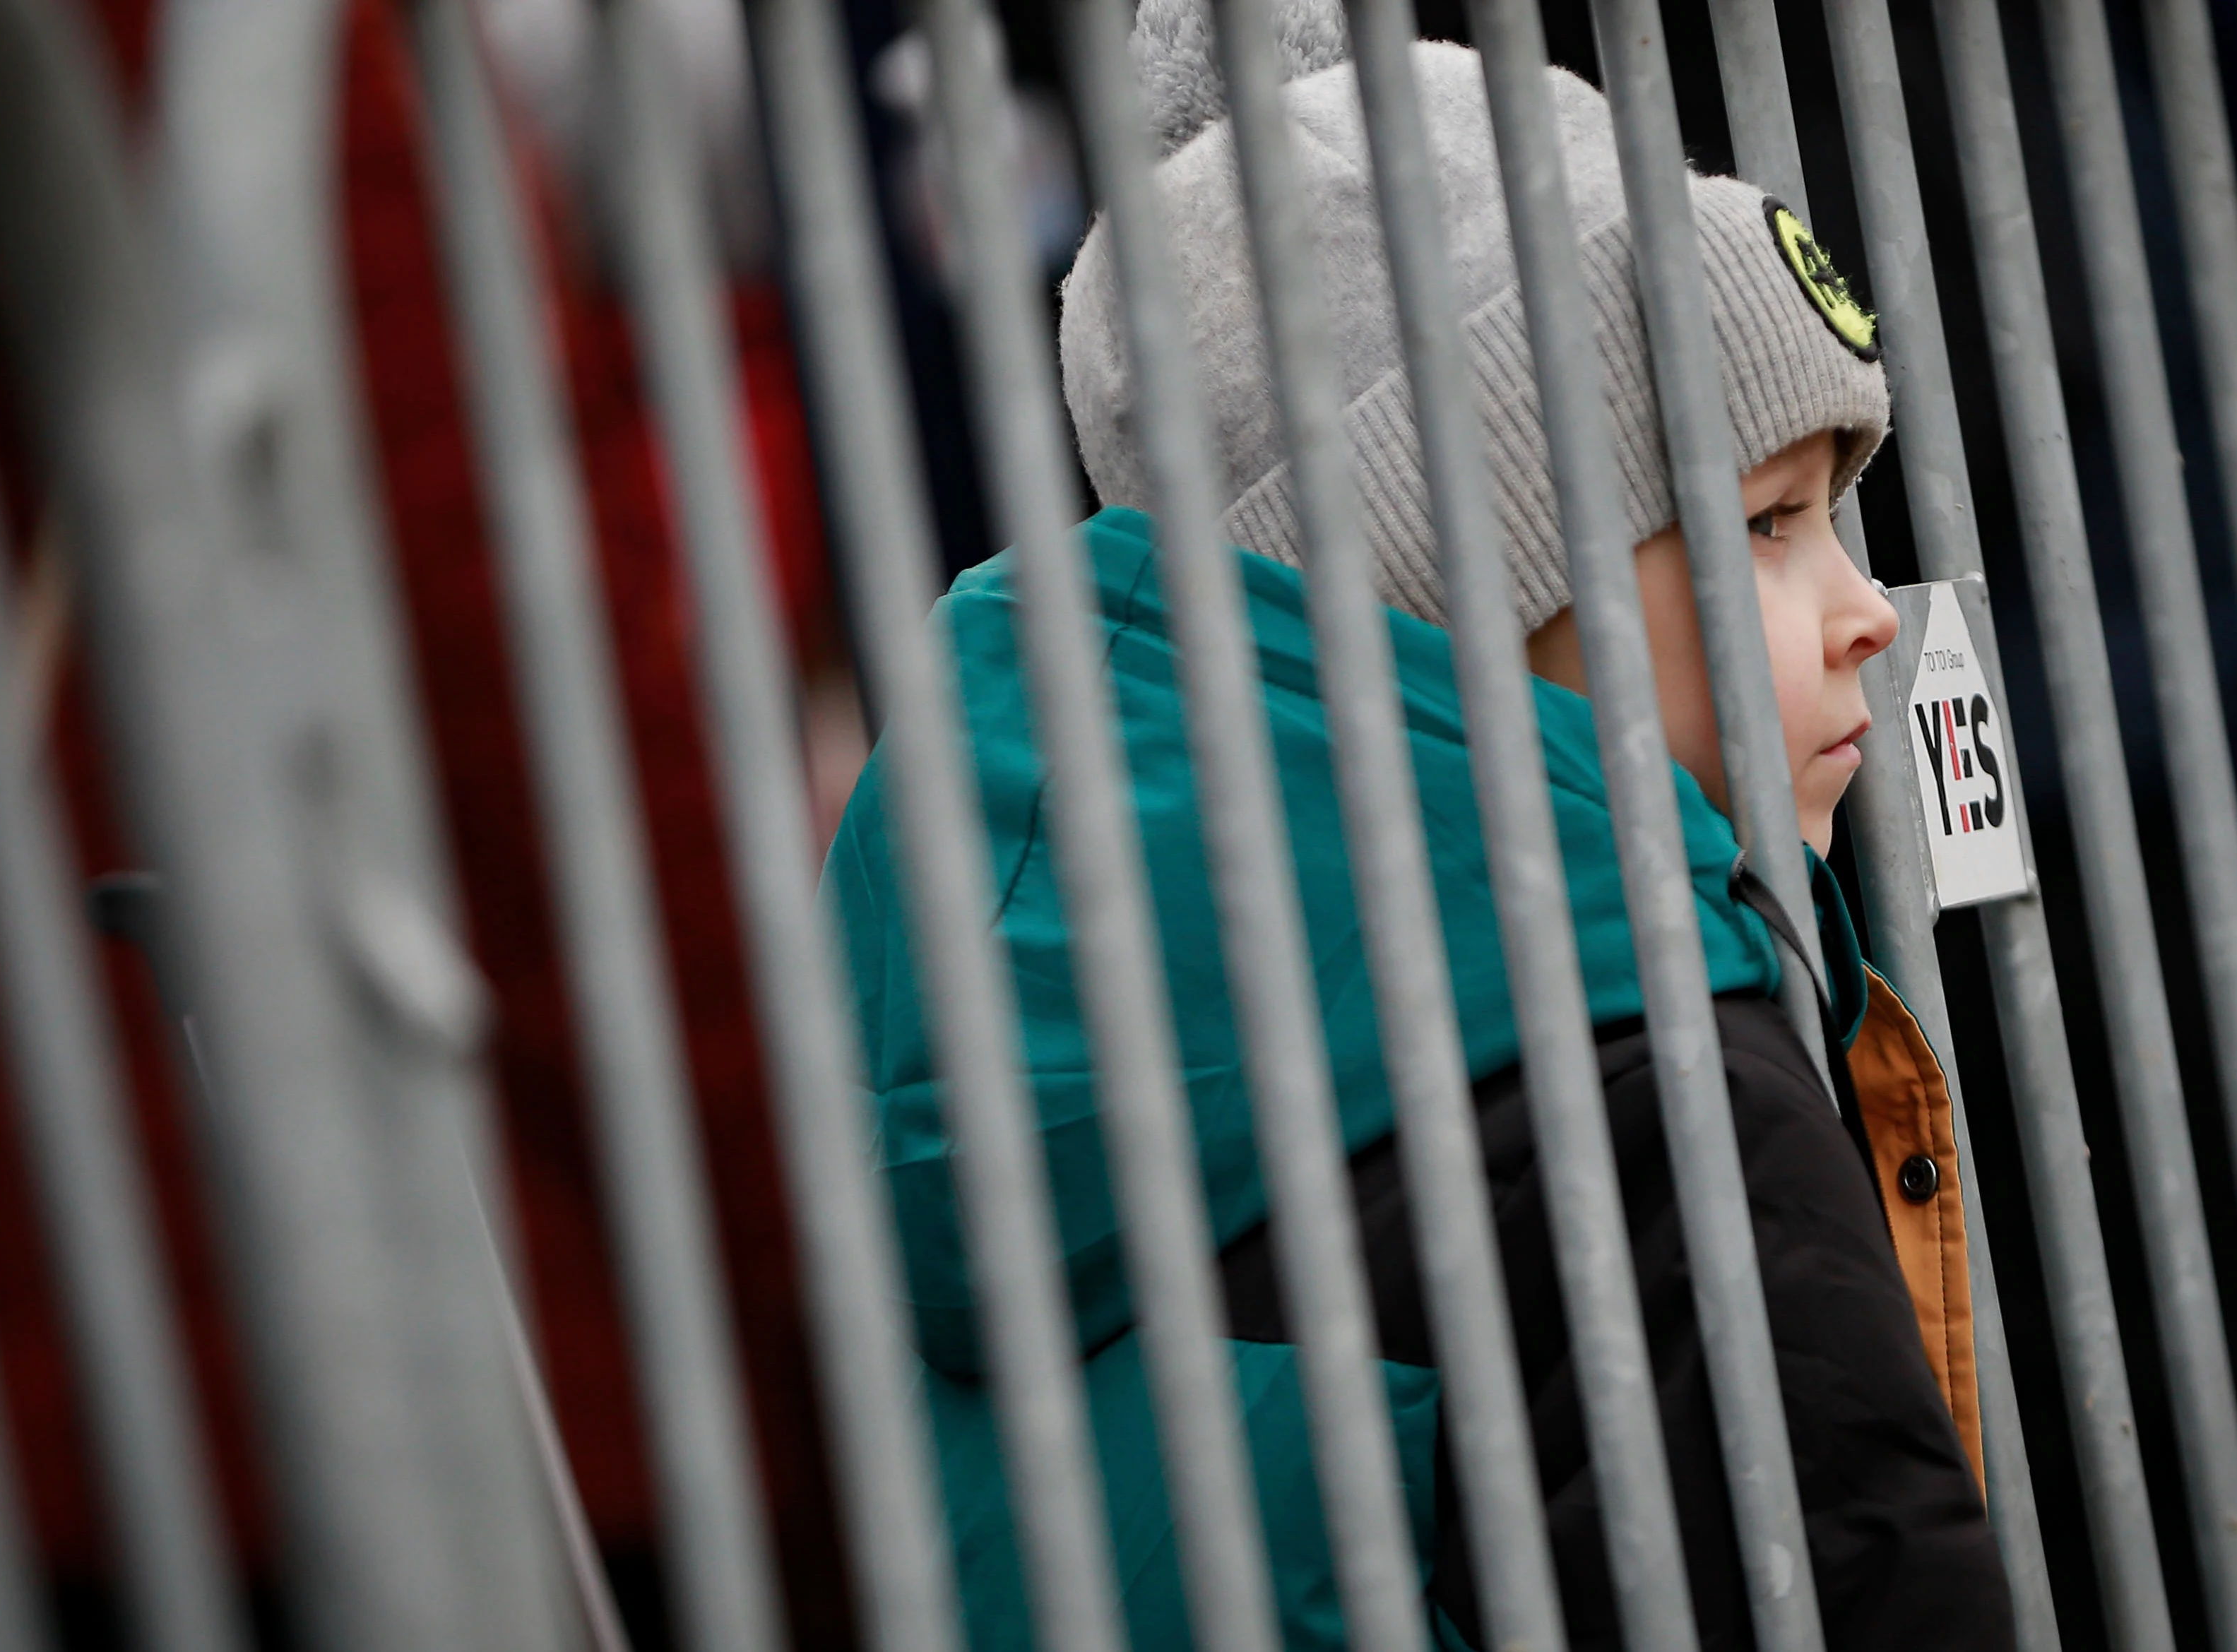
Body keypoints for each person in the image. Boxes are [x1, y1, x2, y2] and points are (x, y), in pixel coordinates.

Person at [821, 1, 2013, 1646]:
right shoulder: (1659, 1095)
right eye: (1769, 523)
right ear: (1460, 598)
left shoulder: (1048, 1095)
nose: (1868, 608)